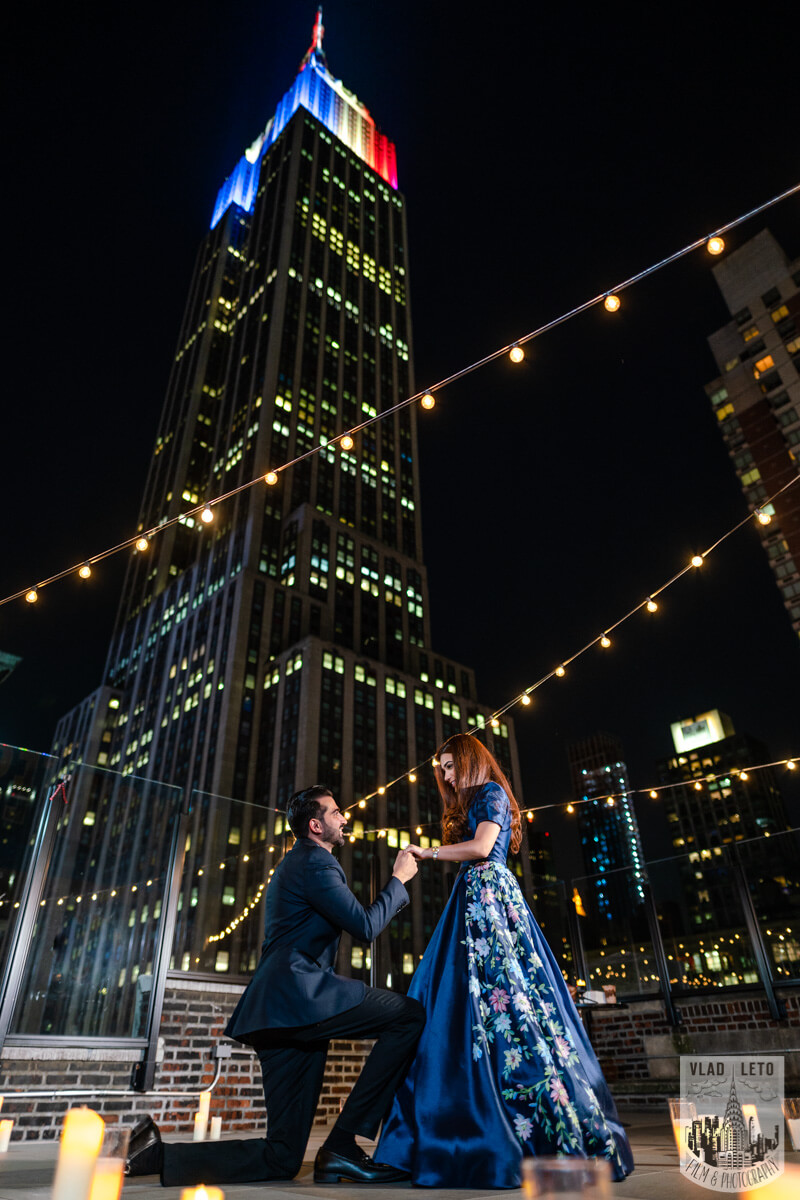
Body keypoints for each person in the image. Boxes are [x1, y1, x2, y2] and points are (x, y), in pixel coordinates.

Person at [126, 784, 425, 1186]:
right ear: (316, 825)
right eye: (336, 813)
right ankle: (342, 1144)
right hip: (299, 998)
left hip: (279, 1012)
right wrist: (399, 880)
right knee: (407, 1015)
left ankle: (155, 1155)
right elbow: (366, 926)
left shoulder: (300, 863)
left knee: (283, 1158)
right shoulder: (315, 863)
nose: (345, 818)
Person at [376, 734, 635, 1188]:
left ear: (472, 762)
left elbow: (481, 848)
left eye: (452, 766)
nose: (446, 775)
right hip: (470, 901)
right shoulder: (469, 801)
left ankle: (526, 1129)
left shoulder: (493, 793)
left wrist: (426, 852)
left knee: (506, 998)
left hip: (491, 901)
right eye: (443, 768)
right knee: (458, 1003)